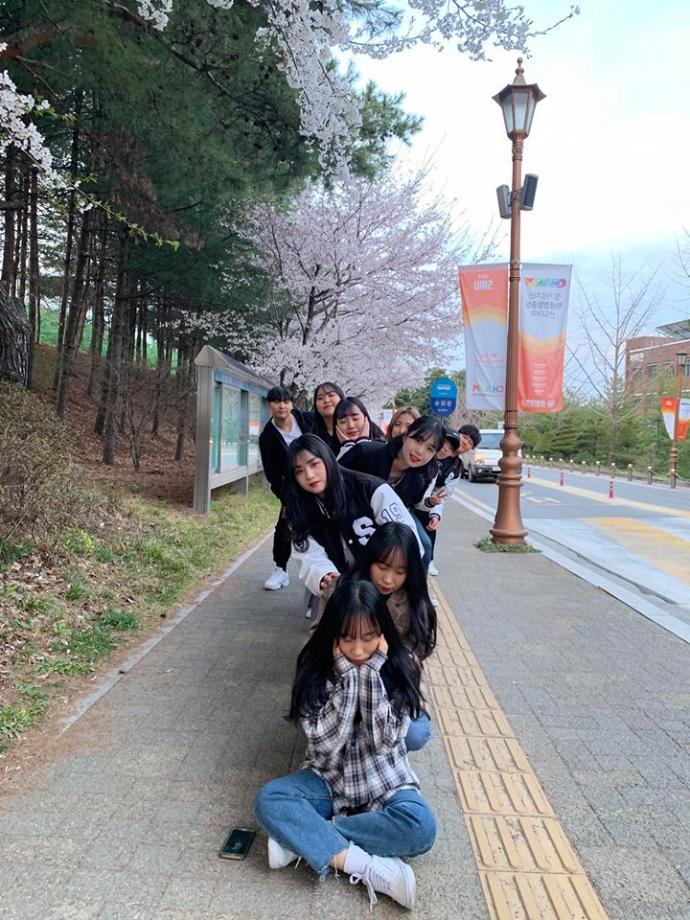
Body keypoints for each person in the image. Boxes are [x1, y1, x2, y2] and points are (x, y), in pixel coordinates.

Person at [255, 580, 436, 910]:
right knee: (270, 799)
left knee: (421, 828)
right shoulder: (315, 669)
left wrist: (370, 676)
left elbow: (384, 742)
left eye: (368, 638)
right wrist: (350, 680)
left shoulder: (402, 666)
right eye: (347, 638)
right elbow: (326, 745)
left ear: (383, 633)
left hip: (386, 782)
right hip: (328, 780)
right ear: (332, 636)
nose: (358, 650)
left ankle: (303, 838)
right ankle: (364, 866)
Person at [314, 523, 437, 752]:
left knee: (415, 735)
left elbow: (415, 656)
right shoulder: (340, 589)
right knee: (327, 726)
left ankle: (385, 751)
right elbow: (316, 640)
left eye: (400, 572)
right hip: (340, 678)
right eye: (382, 566)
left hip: (392, 682)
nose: (388, 579)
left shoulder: (415, 602)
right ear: (370, 559)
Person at [283, 434, 424, 603]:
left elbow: (408, 540)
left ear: (327, 459)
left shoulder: (371, 489)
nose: (309, 475)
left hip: (386, 585)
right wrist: (324, 575)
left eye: (314, 464)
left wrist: (392, 575)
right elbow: (308, 555)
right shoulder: (297, 510)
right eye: (299, 471)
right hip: (341, 589)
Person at [338, 416, 445, 570]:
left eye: (430, 449)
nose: (420, 451)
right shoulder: (366, 453)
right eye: (418, 440)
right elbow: (332, 478)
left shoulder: (418, 481)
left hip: (373, 546)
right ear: (405, 435)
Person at [258, 386, 309, 590]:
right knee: (284, 526)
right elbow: (272, 473)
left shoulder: (306, 421)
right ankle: (281, 569)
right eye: (277, 402)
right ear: (269, 405)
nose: (282, 406)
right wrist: (286, 497)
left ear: (292, 404)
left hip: (320, 478)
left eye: (286, 401)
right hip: (292, 488)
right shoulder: (267, 437)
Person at [413, 427, 463, 577]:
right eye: (444, 443)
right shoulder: (419, 457)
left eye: (450, 448)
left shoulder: (452, 467)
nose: (445, 449)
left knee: (427, 538)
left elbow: (440, 497)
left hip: (419, 506)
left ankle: (426, 566)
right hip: (403, 505)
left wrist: (435, 513)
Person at [310, 381, 345, 455]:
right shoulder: (312, 438)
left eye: (331, 395)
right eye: (320, 398)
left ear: (341, 398)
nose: (326, 400)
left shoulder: (353, 429)